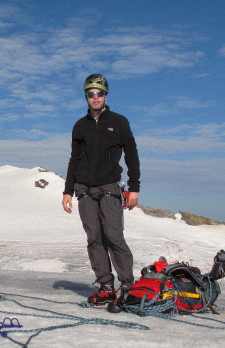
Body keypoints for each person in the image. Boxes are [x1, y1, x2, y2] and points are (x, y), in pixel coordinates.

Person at [62, 73, 141, 305]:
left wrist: (134, 188)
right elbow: (74, 160)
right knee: (94, 238)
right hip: (84, 189)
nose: (96, 97)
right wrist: (68, 191)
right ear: (86, 96)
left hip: (109, 187)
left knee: (114, 236)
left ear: (106, 95)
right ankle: (106, 285)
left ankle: (128, 285)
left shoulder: (119, 122)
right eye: (91, 94)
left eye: (100, 93)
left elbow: (132, 155)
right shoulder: (80, 126)